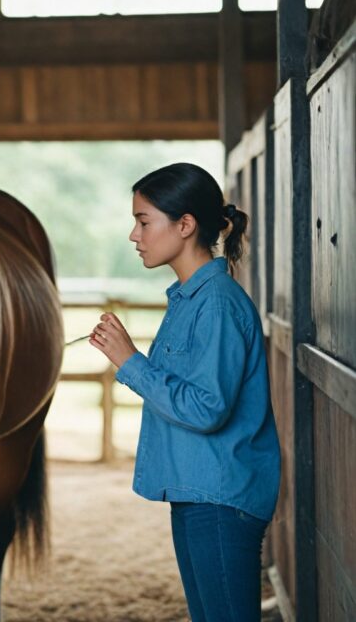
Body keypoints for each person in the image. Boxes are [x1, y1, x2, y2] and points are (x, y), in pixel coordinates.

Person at [89, 162, 281, 622]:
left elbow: (207, 408)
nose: (135, 236)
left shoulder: (215, 304)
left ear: (185, 224)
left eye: (143, 222)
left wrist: (130, 361)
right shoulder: (188, 298)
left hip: (220, 498)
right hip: (199, 493)